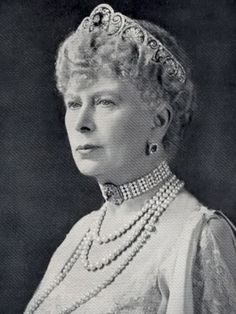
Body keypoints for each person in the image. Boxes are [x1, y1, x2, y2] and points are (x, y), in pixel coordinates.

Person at [24, 3, 236, 314]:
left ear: (159, 121)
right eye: (73, 103)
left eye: (104, 101)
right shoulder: (81, 236)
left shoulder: (198, 237)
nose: (81, 121)